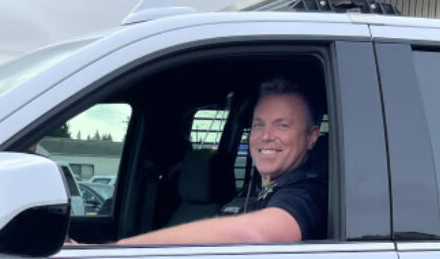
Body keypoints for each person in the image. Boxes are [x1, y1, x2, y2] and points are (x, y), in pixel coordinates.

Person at [116, 78, 325, 245]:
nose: (266, 136)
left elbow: (252, 234)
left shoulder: (308, 194)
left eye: (282, 125)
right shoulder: (262, 190)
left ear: (311, 137)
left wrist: (122, 251)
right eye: (259, 124)